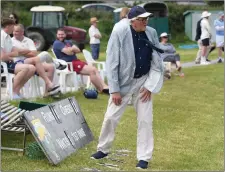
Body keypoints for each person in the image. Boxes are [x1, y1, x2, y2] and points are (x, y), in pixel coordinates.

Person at [90, 6, 164, 169]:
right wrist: (114, 89)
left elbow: (157, 61)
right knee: (110, 117)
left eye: (147, 19)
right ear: (133, 21)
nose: (146, 22)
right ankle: (103, 149)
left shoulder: (151, 32)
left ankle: (144, 157)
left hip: (143, 82)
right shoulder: (120, 32)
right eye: (142, 19)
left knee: (145, 120)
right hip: (123, 83)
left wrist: (150, 86)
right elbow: (112, 61)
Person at [53, 28, 109, 94]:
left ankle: (104, 87)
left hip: (75, 62)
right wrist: (72, 49)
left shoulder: (68, 42)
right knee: (91, 71)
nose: (60, 36)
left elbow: (78, 50)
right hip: (68, 64)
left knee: (94, 69)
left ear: (65, 35)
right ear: (57, 35)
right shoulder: (57, 43)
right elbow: (68, 52)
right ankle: (101, 89)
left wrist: (71, 49)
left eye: (62, 34)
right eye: (59, 34)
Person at [11, 24, 60, 96]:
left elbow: (34, 53)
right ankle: (49, 80)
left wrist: (21, 52)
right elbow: (14, 53)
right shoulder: (11, 41)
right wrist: (27, 51)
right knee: (41, 56)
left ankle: (47, 93)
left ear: (22, 32)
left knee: (51, 67)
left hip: (32, 62)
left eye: (17, 31)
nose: (14, 33)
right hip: (18, 64)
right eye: (14, 31)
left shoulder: (28, 40)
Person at [1, 18, 36, 99]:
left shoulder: (8, 37)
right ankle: (11, 91)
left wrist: (23, 51)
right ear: (8, 26)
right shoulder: (1, 37)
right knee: (25, 68)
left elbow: (15, 51)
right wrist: (12, 56)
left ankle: (16, 91)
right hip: (3, 64)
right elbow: (2, 57)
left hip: (8, 62)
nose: (14, 29)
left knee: (32, 68)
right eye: (13, 26)